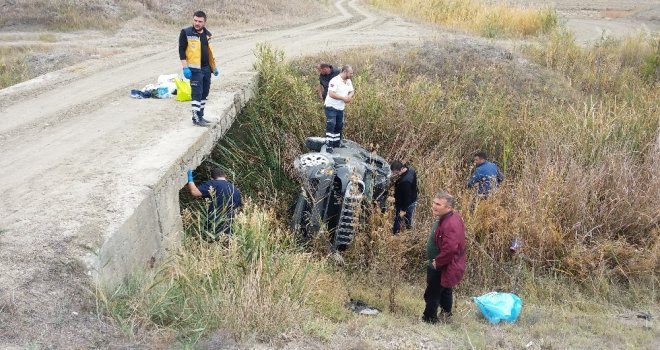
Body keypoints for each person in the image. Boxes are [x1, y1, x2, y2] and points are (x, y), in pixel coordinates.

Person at [423, 192, 466, 324]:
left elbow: (451, 249)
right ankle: (446, 315)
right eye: (434, 203)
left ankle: (429, 319)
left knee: (432, 293)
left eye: (438, 204)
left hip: (443, 264)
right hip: (446, 263)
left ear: (449, 208)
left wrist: (438, 262)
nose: (434, 206)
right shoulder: (447, 218)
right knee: (445, 289)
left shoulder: (450, 223)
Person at [179, 10, 219, 127]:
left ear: (204, 22)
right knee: (197, 93)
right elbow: (181, 51)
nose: (197, 23)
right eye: (195, 20)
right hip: (194, 70)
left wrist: (214, 67)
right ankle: (196, 118)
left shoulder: (207, 34)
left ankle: (200, 115)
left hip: (207, 69)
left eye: (200, 21)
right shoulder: (186, 33)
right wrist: (185, 68)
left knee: (205, 92)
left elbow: (210, 52)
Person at [187, 167, 242, 239]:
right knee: (226, 243)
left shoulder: (213, 183)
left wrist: (190, 178)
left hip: (215, 222)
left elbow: (195, 192)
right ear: (224, 176)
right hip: (230, 222)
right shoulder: (235, 189)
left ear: (212, 178)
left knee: (210, 241)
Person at [323, 65, 355, 153]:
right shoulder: (335, 80)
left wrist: (348, 97)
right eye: (350, 73)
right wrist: (343, 98)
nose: (351, 75)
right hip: (331, 107)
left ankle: (336, 143)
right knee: (331, 124)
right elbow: (331, 94)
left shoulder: (348, 81)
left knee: (339, 125)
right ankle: (329, 145)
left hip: (340, 107)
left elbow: (352, 91)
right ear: (345, 72)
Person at [390, 160, 418, 234]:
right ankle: (408, 227)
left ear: (402, 169)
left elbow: (406, 197)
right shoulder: (411, 170)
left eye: (396, 172)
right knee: (408, 216)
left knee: (398, 218)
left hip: (406, 203)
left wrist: (403, 209)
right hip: (413, 198)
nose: (394, 174)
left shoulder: (405, 182)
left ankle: (395, 233)